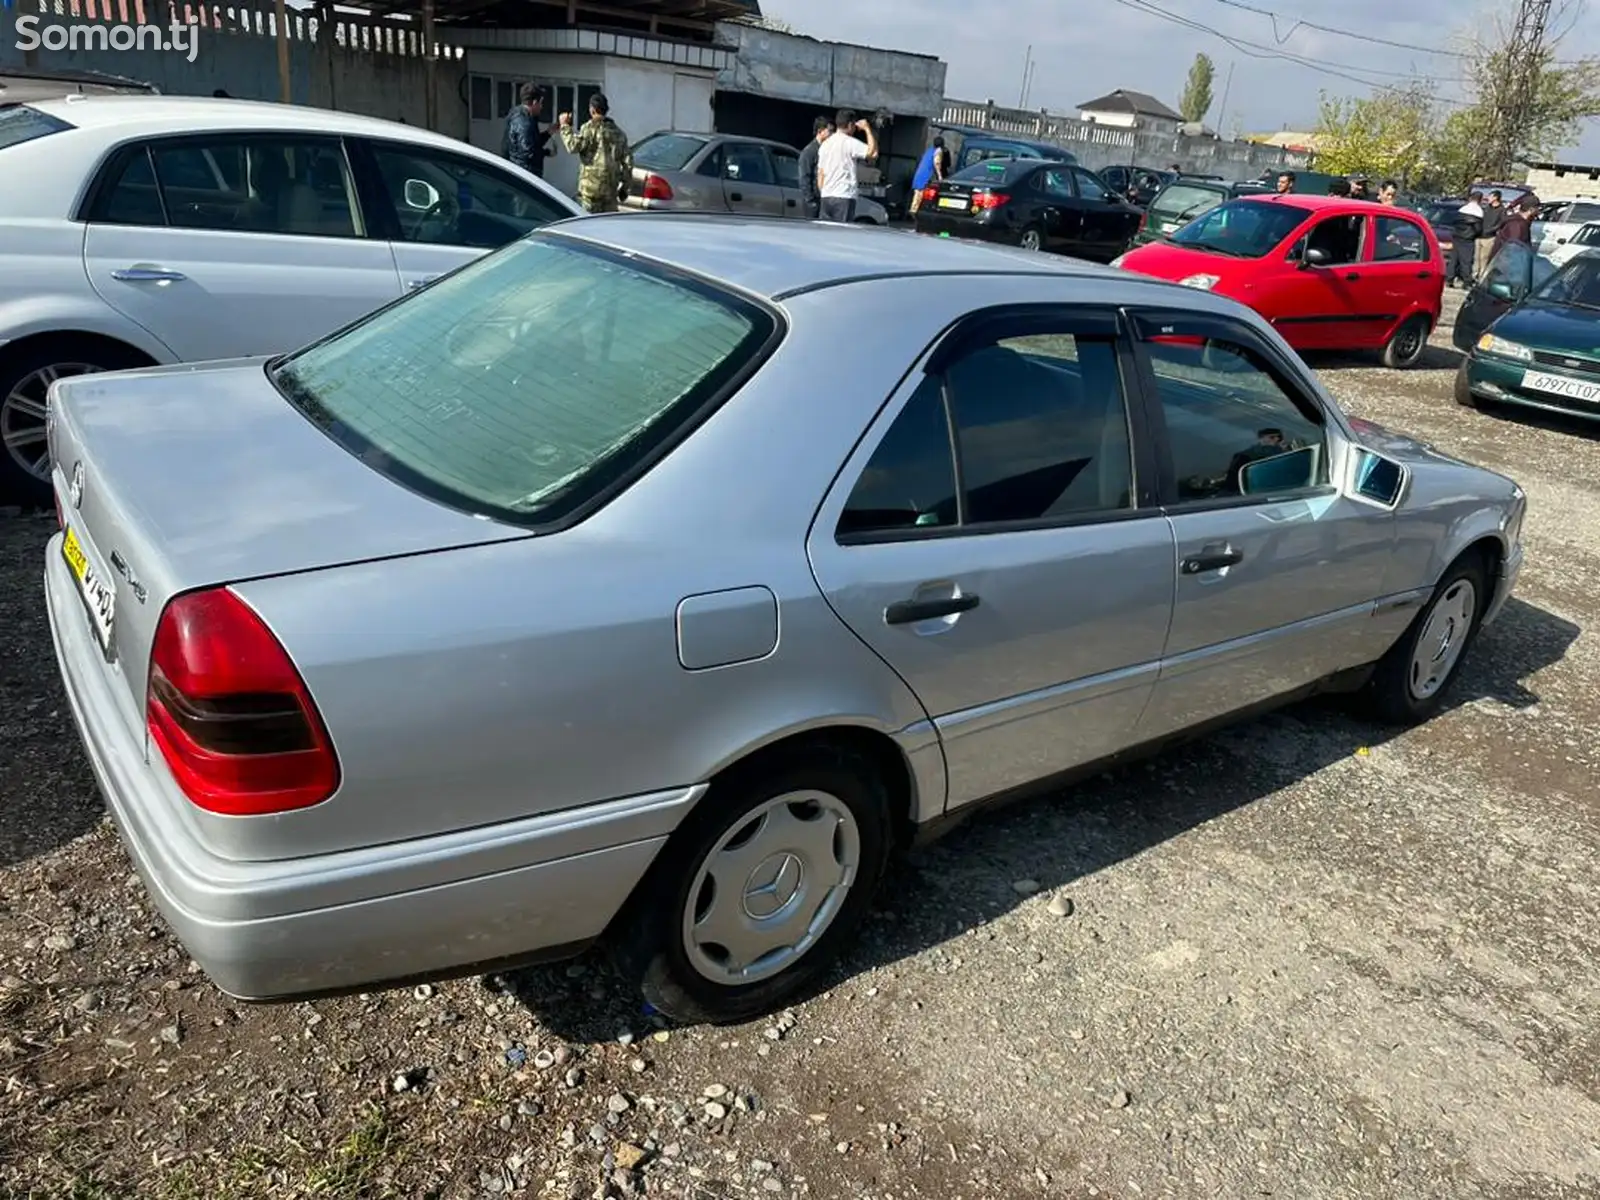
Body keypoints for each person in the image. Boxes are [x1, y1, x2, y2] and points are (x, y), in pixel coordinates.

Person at [560, 92, 632, 214]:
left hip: (589, 194)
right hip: (610, 194)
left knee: (587, 227)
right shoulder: (619, 134)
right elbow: (628, 164)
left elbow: (572, 146)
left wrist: (565, 126)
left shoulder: (588, 129)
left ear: (592, 110)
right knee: (607, 229)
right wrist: (624, 189)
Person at [816, 108, 877, 223]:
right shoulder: (849, 142)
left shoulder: (825, 144)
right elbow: (872, 153)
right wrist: (867, 129)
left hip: (826, 195)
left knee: (825, 233)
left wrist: (823, 191)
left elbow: (821, 173)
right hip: (844, 195)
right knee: (841, 234)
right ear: (850, 125)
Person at [503, 83, 553, 179]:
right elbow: (528, 153)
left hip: (521, 172)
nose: (541, 106)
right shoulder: (524, 122)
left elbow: (533, 142)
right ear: (534, 103)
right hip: (524, 175)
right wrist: (546, 153)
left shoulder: (521, 114)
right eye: (541, 103)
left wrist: (548, 132)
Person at [797, 116, 831, 220]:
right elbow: (804, 177)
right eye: (830, 131)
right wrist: (810, 200)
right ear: (820, 131)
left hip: (823, 199)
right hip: (814, 201)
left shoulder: (827, 149)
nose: (832, 134)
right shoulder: (810, 151)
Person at [1449, 191, 1484, 288]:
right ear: (1480, 199)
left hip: (1457, 237)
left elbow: (1454, 223)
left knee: (1454, 259)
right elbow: (1478, 229)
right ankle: (1466, 282)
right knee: (1466, 261)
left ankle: (1449, 279)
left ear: (1470, 198)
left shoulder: (1462, 209)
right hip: (1468, 239)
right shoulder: (1478, 211)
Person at [910, 134, 949, 215]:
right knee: (919, 196)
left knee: (917, 195)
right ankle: (914, 213)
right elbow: (937, 163)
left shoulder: (929, 150)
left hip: (919, 174)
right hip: (925, 176)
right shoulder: (938, 151)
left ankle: (913, 211)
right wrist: (939, 176)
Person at [1477, 190, 1506, 278]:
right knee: (1476, 258)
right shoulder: (1486, 208)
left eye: (1490, 196)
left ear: (1495, 198)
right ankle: (1474, 275)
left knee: (1484, 258)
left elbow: (1501, 223)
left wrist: (1491, 230)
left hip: (1489, 237)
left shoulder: (1501, 210)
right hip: (1479, 235)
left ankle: (1481, 276)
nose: (1488, 198)